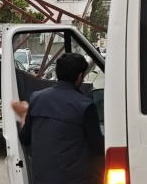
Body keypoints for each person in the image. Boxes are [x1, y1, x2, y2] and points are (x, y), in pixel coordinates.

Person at [11, 53, 104, 184]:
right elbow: (98, 147)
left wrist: (23, 116)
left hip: (41, 179)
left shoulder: (36, 98)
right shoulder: (85, 105)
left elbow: (25, 138)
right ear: (79, 76)